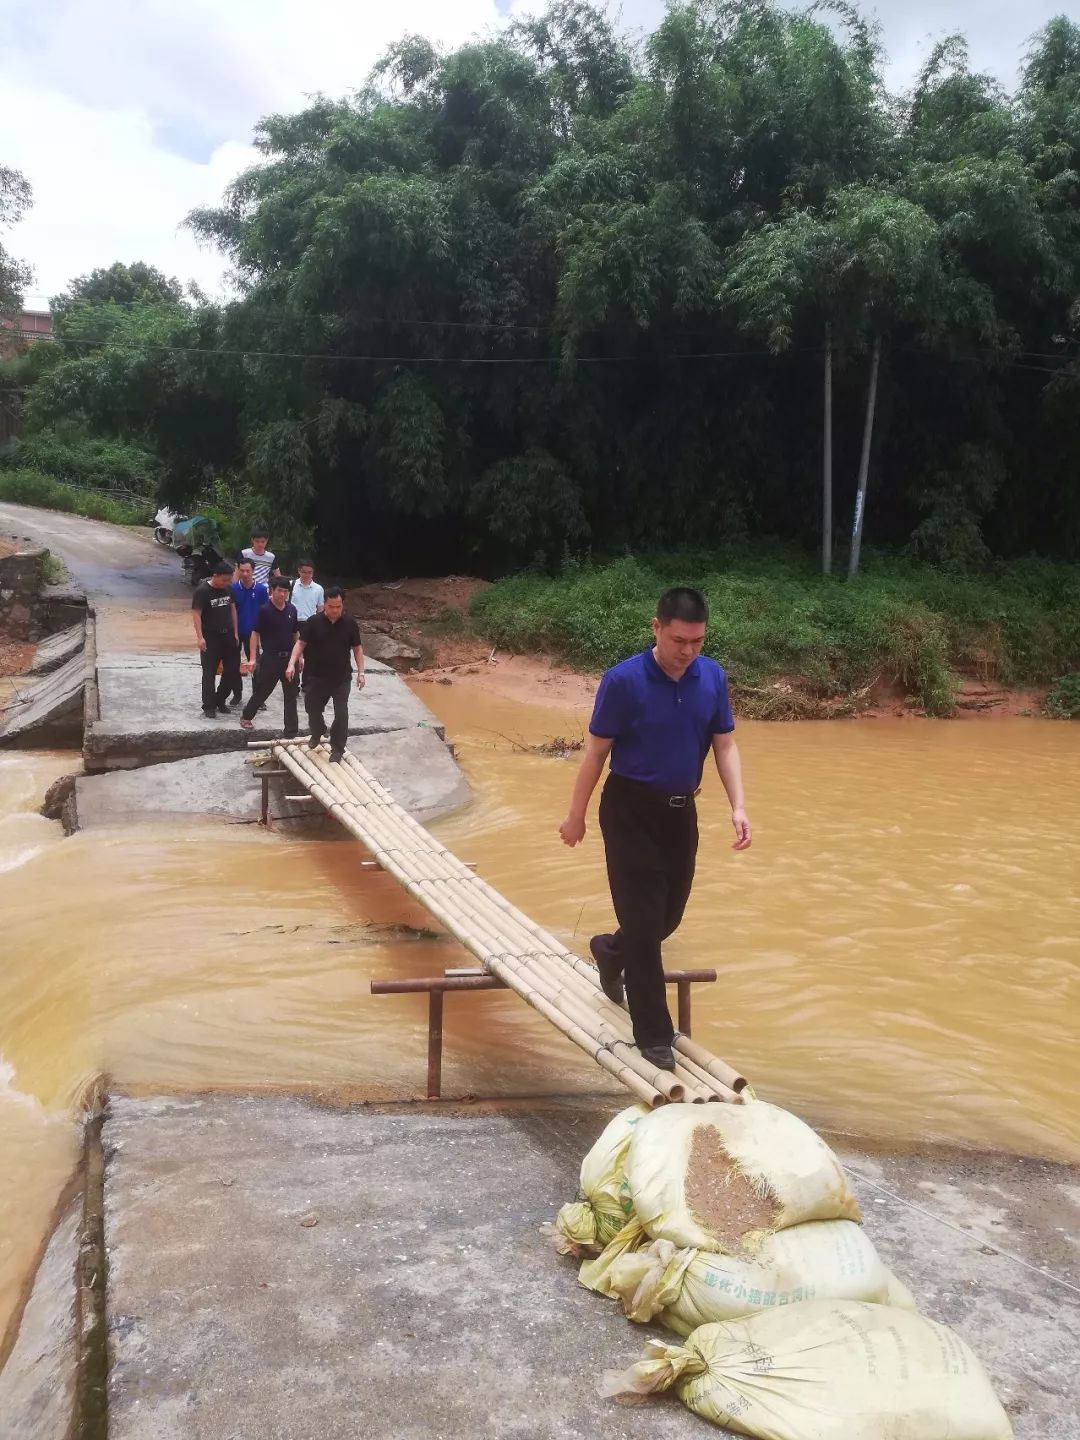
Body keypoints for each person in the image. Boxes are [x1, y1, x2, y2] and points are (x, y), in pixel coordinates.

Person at [558, 588, 752, 1072]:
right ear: (656, 628)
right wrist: (575, 815)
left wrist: (739, 807)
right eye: (679, 640)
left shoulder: (712, 678)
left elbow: (724, 746)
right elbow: (597, 754)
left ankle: (608, 950)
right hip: (628, 811)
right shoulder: (623, 681)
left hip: (680, 813)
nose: (688, 651)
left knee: (666, 919)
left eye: (698, 642)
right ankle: (654, 1036)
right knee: (646, 926)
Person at [286, 587, 364, 763]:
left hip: (341, 678)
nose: (335, 610)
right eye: (331, 606)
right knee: (312, 710)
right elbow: (300, 644)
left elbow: (357, 649)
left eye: (338, 606)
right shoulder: (313, 622)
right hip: (316, 676)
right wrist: (292, 663)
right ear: (324, 605)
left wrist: (361, 672)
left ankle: (337, 748)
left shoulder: (350, 624)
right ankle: (318, 731)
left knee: (342, 714)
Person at [239, 578, 301, 737]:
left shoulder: (292, 610)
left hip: (289, 659)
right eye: (280, 590)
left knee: (291, 695)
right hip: (270, 658)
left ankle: (291, 731)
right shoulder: (264, 610)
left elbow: (296, 634)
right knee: (263, 691)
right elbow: (255, 633)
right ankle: (247, 716)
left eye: (286, 591)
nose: (283, 594)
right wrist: (253, 657)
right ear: (271, 590)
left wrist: (299, 656)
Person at [191, 560, 240, 719]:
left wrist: (235, 633)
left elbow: (233, 609)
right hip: (210, 637)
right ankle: (209, 705)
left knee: (232, 670)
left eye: (228, 580)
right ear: (215, 575)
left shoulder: (228, 589)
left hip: (228, 635)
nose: (226, 583)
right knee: (209, 672)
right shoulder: (202, 591)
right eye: (223, 580)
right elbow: (196, 613)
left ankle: (220, 700)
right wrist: (200, 637)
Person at [228, 559, 268, 705]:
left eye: (248, 571)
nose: (245, 574)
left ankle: (258, 698)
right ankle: (237, 694)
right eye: (242, 570)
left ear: (253, 571)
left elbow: (265, 612)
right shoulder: (232, 589)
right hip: (236, 634)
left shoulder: (261, 590)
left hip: (254, 635)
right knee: (233, 665)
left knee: (256, 665)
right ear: (238, 570)